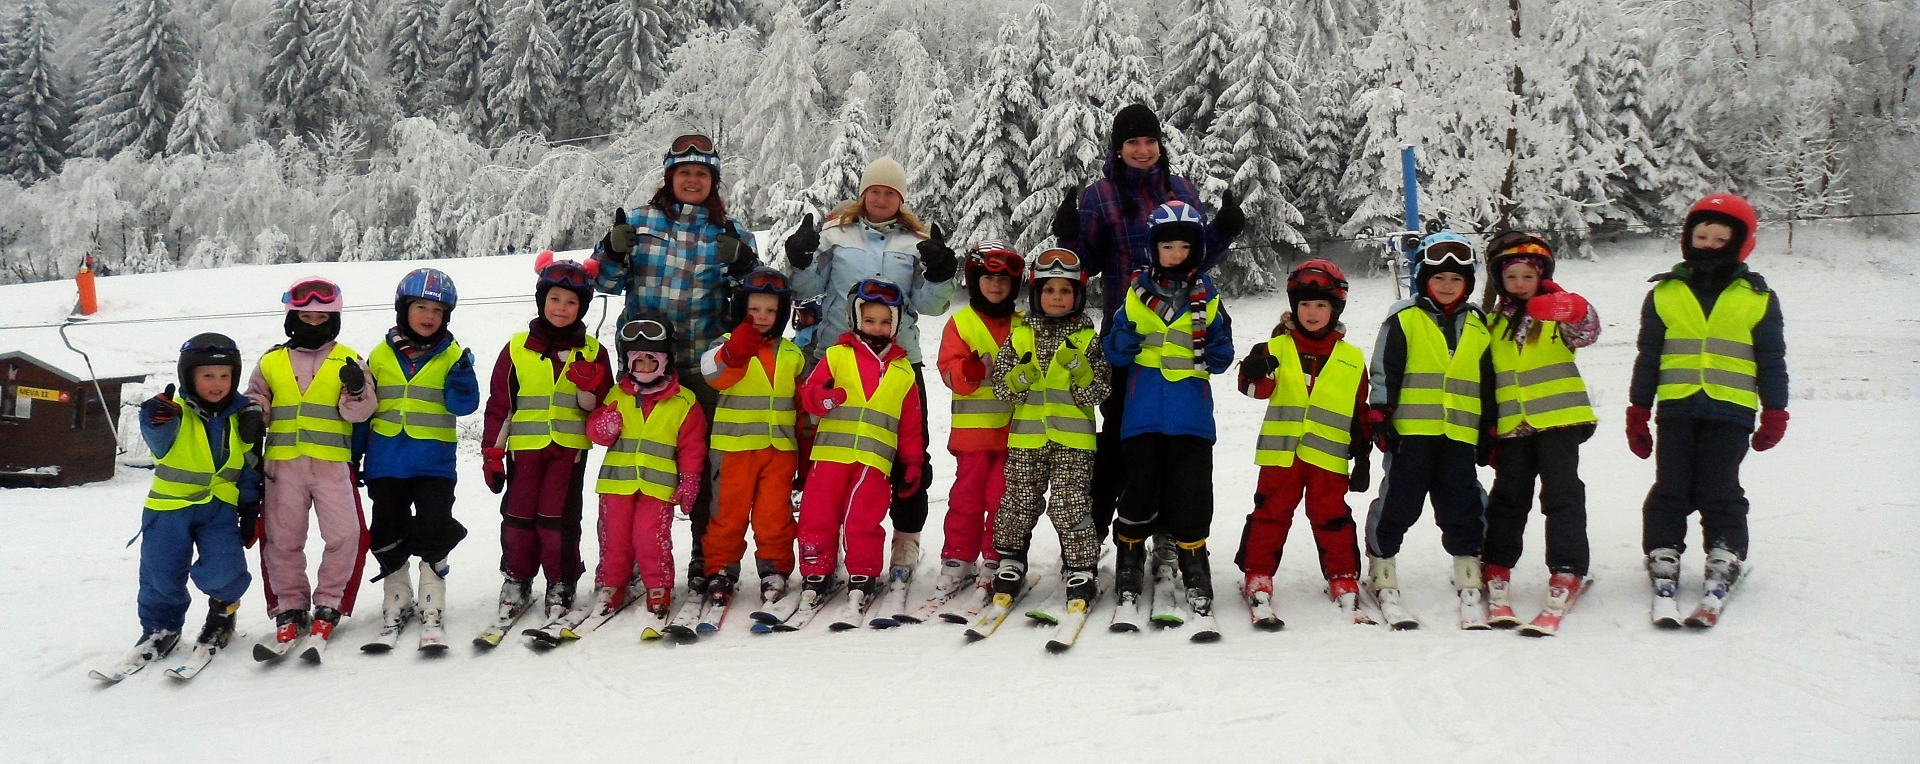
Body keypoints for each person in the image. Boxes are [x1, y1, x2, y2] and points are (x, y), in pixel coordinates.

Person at [1051, 103, 1243, 560]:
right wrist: (1070, 237)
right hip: (1129, 334)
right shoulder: (1101, 195)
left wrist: (1222, 231)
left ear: (1160, 144)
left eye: (1149, 141)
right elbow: (1087, 264)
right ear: (1117, 149)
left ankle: (1168, 531)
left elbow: (1196, 257)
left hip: (1182, 331)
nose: (1142, 150)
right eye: (1132, 142)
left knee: (1177, 440)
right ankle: (1097, 531)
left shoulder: (1181, 190)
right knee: (1121, 435)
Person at [593, 134, 760, 595]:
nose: (692, 180)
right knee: (634, 464)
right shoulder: (639, 222)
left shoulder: (731, 233)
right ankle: (626, 555)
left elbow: (759, 300)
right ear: (669, 177)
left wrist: (743, 265)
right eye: (684, 172)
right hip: (644, 367)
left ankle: (706, 554)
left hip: (704, 368)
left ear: (713, 181)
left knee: (702, 467)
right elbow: (603, 282)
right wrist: (612, 251)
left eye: (701, 173)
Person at [787, 157, 958, 599]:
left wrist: (941, 275)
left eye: (890, 193)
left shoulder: (915, 242)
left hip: (899, 361)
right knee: (829, 457)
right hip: (838, 356)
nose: (881, 199)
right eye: (875, 191)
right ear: (863, 194)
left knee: (909, 454)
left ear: (901, 199)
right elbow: (806, 289)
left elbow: (930, 304)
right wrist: (799, 259)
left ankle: (905, 540)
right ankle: (823, 548)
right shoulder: (835, 235)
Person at [1627, 193, 1787, 627]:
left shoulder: (1758, 297)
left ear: (1740, 243)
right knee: (1672, 484)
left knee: (1719, 485)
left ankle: (1725, 551)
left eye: (1720, 239)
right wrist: (1638, 409)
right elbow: (1649, 356)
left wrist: (1775, 410)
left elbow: (1771, 359)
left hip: (1731, 409)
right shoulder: (1665, 292)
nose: (1709, 245)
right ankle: (1663, 550)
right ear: (1688, 237)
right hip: (1676, 407)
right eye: (1702, 236)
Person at [1103, 201, 1235, 635]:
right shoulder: (1134, 294)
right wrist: (1121, 341)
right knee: (1140, 488)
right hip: (1142, 412)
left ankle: (1193, 560)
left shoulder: (1209, 297)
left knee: (1192, 491)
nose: (1176, 254)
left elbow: (1221, 351)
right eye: (1168, 246)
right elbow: (1113, 349)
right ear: (1153, 249)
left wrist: (1219, 350)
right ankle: (1129, 556)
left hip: (1191, 414)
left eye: (1184, 247)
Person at [1362, 231, 1497, 629]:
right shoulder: (1404, 318)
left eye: (1456, 279)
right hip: (1411, 434)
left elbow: (1488, 380)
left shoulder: (1479, 324)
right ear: (1424, 279)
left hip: (1459, 433)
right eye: (1439, 278)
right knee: (1400, 500)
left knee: (1462, 501)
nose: (1447, 286)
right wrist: (1380, 413)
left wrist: (1489, 425)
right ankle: (1382, 564)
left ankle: (1468, 565)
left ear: (1468, 283)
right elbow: (1385, 369)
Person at [106, 335, 260, 677]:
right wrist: (154, 418)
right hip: (168, 510)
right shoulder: (172, 413)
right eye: (208, 376)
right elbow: (158, 437)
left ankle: (222, 614)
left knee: (225, 569)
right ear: (189, 377)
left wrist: (251, 505)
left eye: (225, 376)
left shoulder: (242, 417)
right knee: (161, 573)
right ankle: (160, 627)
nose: (217, 384)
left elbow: (250, 464)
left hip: (219, 509)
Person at [1233, 260, 1372, 628]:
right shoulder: (1275, 347)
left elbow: (1359, 410)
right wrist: (1254, 371)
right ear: (1294, 307)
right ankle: (1258, 574)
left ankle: (1343, 576)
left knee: (1332, 517)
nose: (1312, 312)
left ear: (1335, 309)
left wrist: (1363, 455)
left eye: (1321, 305)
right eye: (1305, 304)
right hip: (1282, 455)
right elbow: (1255, 390)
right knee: (1270, 514)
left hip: (1329, 458)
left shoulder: (1352, 358)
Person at [480, 254, 615, 633]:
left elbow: (600, 409)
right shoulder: (517, 348)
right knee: (519, 516)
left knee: (558, 519)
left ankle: (561, 580)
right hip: (524, 450)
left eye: (571, 302)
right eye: (555, 299)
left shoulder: (593, 352)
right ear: (542, 301)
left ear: (581, 308)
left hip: (568, 452)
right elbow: (501, 405)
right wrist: (492, 454)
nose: (561, 308)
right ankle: (517, 578)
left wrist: (589, 386)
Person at [1475, 233, 1601, 631]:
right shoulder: (1491, 325)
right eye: (1511, 277)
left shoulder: (1555, 316)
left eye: (1527, 276)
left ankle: (1567, 567)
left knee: (1562, 494)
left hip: (1558, 421)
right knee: (1509, 498)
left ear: (1541, 277)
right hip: (1514, 427)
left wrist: (1574, 308)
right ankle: (1496, 563)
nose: (1519, 284)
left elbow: (1586, 332)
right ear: (1500, 280)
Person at [246, 277, 377, 657]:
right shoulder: (271, 361)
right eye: (306, 317)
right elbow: (256, 399)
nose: (314, 324)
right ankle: (289, 605)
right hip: (283, 466)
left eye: (323, 318)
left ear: (334, 320)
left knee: (346, 535)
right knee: (281, 539)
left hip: (332, 463)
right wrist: (252, 413)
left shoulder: (349, 360)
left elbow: (361, 413)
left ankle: (330, 602)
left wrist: (357, 389)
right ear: (292, 318)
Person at [793, 278, 928, 623]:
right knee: (817, 515)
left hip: (873, 462)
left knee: (863, 520)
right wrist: (824, 399)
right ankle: (816, 570)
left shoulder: (903, 372)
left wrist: (912, 464)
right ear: (855, 319)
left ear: (895, 325)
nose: (877, 328)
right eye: (870, 320)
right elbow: (810, 395)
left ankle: (863, 573)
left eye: (885, 321)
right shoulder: (836, 356)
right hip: (829, 457)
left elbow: (911, 425)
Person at [362, 268, 479, 649]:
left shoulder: (453, 355)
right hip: (386, 461)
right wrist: (355, 455)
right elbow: (365, 410)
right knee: (388, 530)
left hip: (433, 463)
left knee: (434, 527)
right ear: (404, 309)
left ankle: (432, 602)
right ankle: (396, 598)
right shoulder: (379, 355)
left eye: (438, 311)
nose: (429, 316)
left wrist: (463, 379)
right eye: (421, 308)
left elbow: (464, 406)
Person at [988, 248, 1109, 612]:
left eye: (1065, 291)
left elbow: (1098, 391)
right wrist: (1019, 377)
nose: (1057, 297)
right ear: (1036, 294)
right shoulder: (1020, 336)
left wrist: (1081, 370)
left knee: (1069, 504)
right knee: (1019, 501)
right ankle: (1011, 560)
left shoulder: (1087, 340)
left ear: (1078, 296)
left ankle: (1081, 567)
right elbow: (1002, 389)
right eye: (1049, 290)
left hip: (1074, 441)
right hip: (1026, 439)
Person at [584, 316, 707, 622]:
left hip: (658, 487)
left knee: (650, 537)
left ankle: (658, 585)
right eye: (638, 361)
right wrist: (603, 427)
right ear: (629, 363)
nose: (645, 367)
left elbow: (692, 446)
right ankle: (612, 584)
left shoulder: (684, 401)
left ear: (665, 362)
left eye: (652, 360)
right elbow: (596, 432)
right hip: (616, 484)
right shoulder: (617, 394)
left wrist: (690, 479)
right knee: (614, 537)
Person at [697, 268, 804, 609]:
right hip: (734, 449)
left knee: (775, 515)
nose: (762, 316)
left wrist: (807, 449)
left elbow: (802, 405)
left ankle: (774, 568)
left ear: (782, 314)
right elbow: (713, 375)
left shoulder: (792, 354)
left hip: (779, 450)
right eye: (754, 309)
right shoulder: (723, 344)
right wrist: (733, 353)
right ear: (741, 308)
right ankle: (721, 568)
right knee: (728, 514)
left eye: (771, 310)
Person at [929, 242, 1025, 603]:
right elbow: (948, 371)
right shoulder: (961, 323)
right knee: (966, 499)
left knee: (1002, 499)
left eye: (1003, 280)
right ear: (974, 281)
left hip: (1013, 434)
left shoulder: (1023, 325)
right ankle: (958, 556)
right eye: (988, 278)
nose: (996, 285)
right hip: (972, 437)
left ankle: (995, 556)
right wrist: (969, 370)